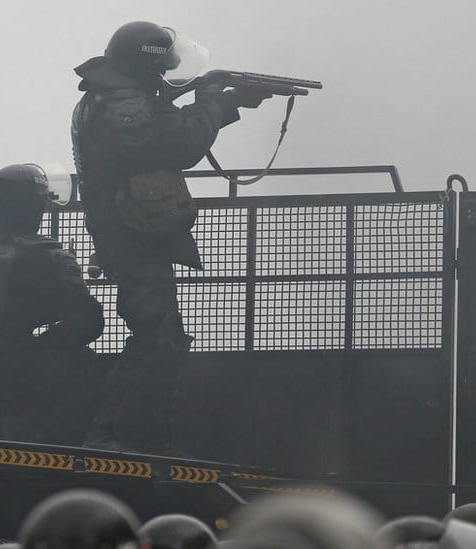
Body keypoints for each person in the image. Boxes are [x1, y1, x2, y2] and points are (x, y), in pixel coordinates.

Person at [71, 21, 271, 452]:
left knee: (164, 337)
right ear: (146, 62)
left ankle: (143, 437)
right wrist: (211, 102)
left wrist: (227, 104)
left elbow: (164, 126)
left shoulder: (119, 96)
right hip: (132, 234)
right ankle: (111, 436)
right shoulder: (122, 103)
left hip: (131, 231)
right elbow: (175, 144)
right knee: (153, 336)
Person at [0, 162, 104, 443]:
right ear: (35, 207)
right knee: (80, 363)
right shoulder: (42, 255)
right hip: (1, 372)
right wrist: (43, 341)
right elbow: (89, 321)